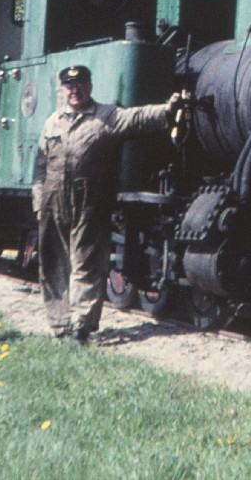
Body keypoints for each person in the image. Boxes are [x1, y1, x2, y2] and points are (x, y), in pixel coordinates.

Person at [33, 65, 180, 345]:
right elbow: (40, 164)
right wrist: (38, 200)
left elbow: (136, 118)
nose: (75, 91)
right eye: (69, 86)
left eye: (80, 85)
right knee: (54, 263)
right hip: (53, 200)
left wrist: (167, 110)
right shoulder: (52, 122)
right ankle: (59, 325)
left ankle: (80, 328)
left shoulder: (106, 116)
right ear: (62, 90)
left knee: (86, 263)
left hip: (90, 200)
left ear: (89, 86)